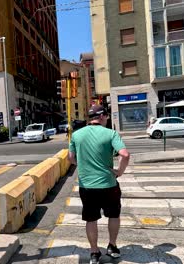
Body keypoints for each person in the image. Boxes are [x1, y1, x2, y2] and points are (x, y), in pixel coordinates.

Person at [68, 105, 130, 264]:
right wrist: (119, 172)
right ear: (102, 116)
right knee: (114, 215)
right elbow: (125, 154)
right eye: (107, 116)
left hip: (87, 186)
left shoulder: (76, 135)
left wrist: (82, 166)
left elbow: (70, 158)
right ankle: (112, 246)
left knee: (91, 219)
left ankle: (94, 252)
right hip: (109, 184)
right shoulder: (111, 134)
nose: (107, 119)